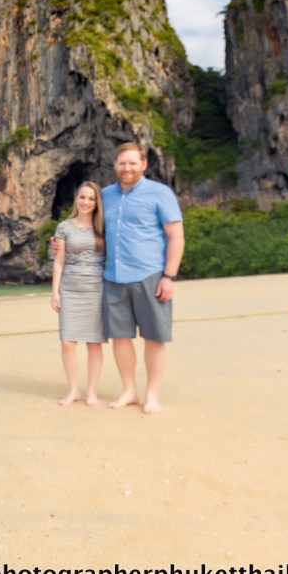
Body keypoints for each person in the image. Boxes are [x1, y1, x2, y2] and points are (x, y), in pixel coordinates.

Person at [100, 142, 184, 414]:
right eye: (123, 163)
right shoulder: (104, 196)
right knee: (120, 337)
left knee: (154, 337)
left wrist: (168, 276)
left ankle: (151, 394)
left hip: (150, 275)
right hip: (113, 277)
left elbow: (176, 236)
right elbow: (88, 231)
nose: (127, 168)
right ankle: (129, 391)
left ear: (144, 164)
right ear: (115, 165)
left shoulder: (160, 193)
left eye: (133, 163)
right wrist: (60, 243)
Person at [50, 181, 106, 407]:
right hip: (70, 288)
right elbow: (59, 261)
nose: (86, 202)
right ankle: (73, 390)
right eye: (82, 197)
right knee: (67, 343)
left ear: (97, 203)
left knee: (94, 343)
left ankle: (91, 392)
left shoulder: (103, 228)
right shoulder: (64, 227)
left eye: (91, 199)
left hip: (97, 289)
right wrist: (55, 292)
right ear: (76, 198)